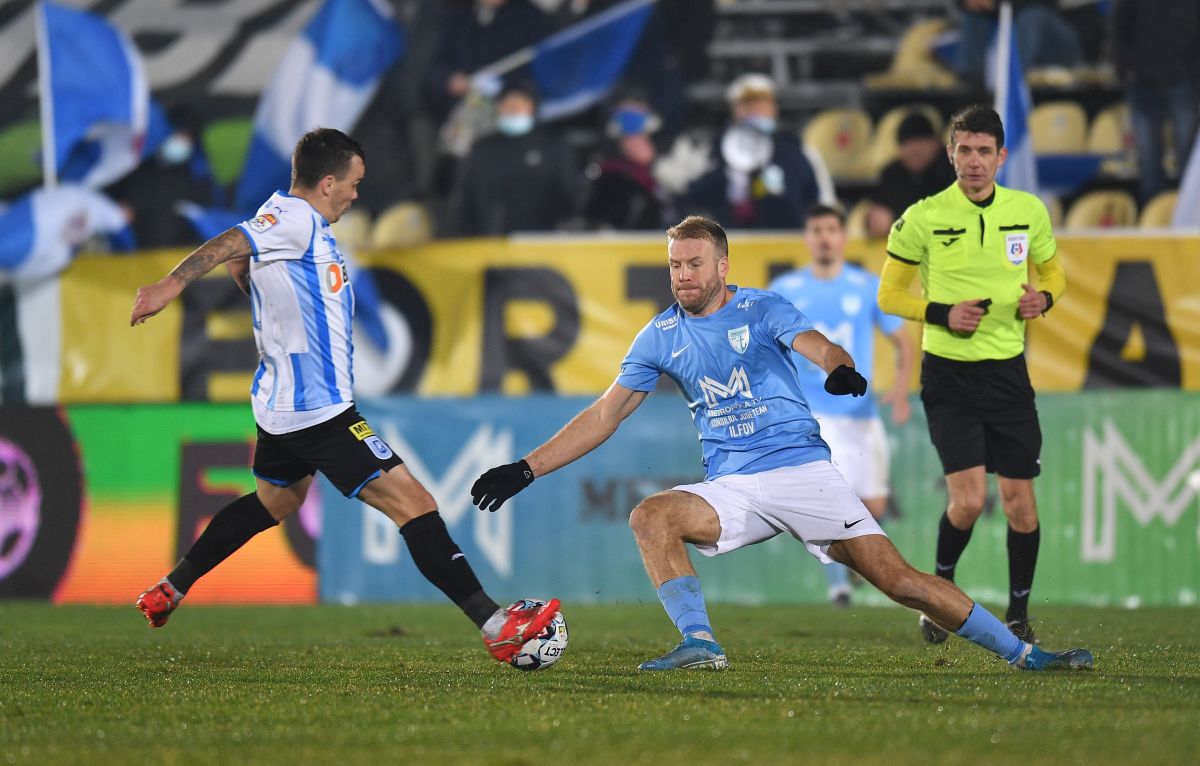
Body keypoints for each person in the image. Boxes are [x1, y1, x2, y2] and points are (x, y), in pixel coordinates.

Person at [471, 214, 1091, 672]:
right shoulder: (658, 337)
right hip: (732, 485)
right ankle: (702, 644)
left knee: (898, 581)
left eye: (694, 264)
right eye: (674, 266)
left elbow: (816, 344)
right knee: (650, 516)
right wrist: (525, 470)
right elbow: (604, 415)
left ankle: (1025, 655)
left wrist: (839, 367)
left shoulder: (761, 308)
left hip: (801, 472)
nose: (683, 276)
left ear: (721, 267)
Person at [129, 128, 558, 663]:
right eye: (353, 184)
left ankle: (171, 587)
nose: (357, 195)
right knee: (415, 505)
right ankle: (497, 626)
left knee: (275, 501)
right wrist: (171, 284)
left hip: (280, 405)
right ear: (327, 182)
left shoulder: (282, 217)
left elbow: (243, 260)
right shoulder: (295, 220)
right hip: (320, 411)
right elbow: (228, 246)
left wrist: (269, 298)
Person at [877, 104, 1066, 646]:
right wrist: (942, 312)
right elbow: (888, 295)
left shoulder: (1028, 211)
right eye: (965, 150)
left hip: (1007, 375)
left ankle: (1018, 613)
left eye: (985, 151)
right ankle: (939, 596)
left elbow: (1053, 272)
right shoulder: (922, 217)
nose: (975, 161)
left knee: (1020, 506)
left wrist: (1045, 297)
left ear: (1002, 156)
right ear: (951, 154)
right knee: (967, 502)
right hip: (949, 378)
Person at [768, 204, 915, 606]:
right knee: (832, 498)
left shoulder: (866, 285)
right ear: (807, 238)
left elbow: (903, 342)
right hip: (812, 413)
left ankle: (856, 563)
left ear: (842, 236)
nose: (824, 237)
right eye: (816, 229)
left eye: (831, 228)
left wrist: (900, 392)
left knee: (875, 503)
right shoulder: (787, 289)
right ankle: (839, 585)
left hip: (860, 411)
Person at [686, 74, 821, 229]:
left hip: (784, 239)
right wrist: (726, 178)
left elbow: (817, 200)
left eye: (761, 104)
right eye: (747, 105)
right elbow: (695, 196)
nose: (755, 110)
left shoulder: (796, 150)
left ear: (774, 108)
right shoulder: (714, 150)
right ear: (734, 110)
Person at [446, 81, 577, 236]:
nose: (513, 109)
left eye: (519, 104)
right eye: (508, 104)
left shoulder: (553, 146)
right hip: (488, 241)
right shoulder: (483, 148)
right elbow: (464, 197)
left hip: (542, 242)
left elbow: (568, 193)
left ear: (532, 108)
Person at [1112, 0, 1200, 203]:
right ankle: (1153, 216)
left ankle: (1191, 214)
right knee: (1148, 158)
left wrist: (1194, 70)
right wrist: (1123, 67)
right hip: (1142, 81)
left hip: (1183, 78)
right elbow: (1119, 25)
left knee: (1188, 155)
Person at [580, 97, 674, 230]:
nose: (633, 138)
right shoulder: (607, 174)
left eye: (637, 116)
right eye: (625, 117)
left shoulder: (675, 158)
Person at [866, 113, 957, 239]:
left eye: (920, 141)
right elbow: (879, 214)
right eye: (908, 143)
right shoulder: (891, 173)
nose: (914, 150)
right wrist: (873, 220)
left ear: (935, 144)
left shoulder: (954, 170)